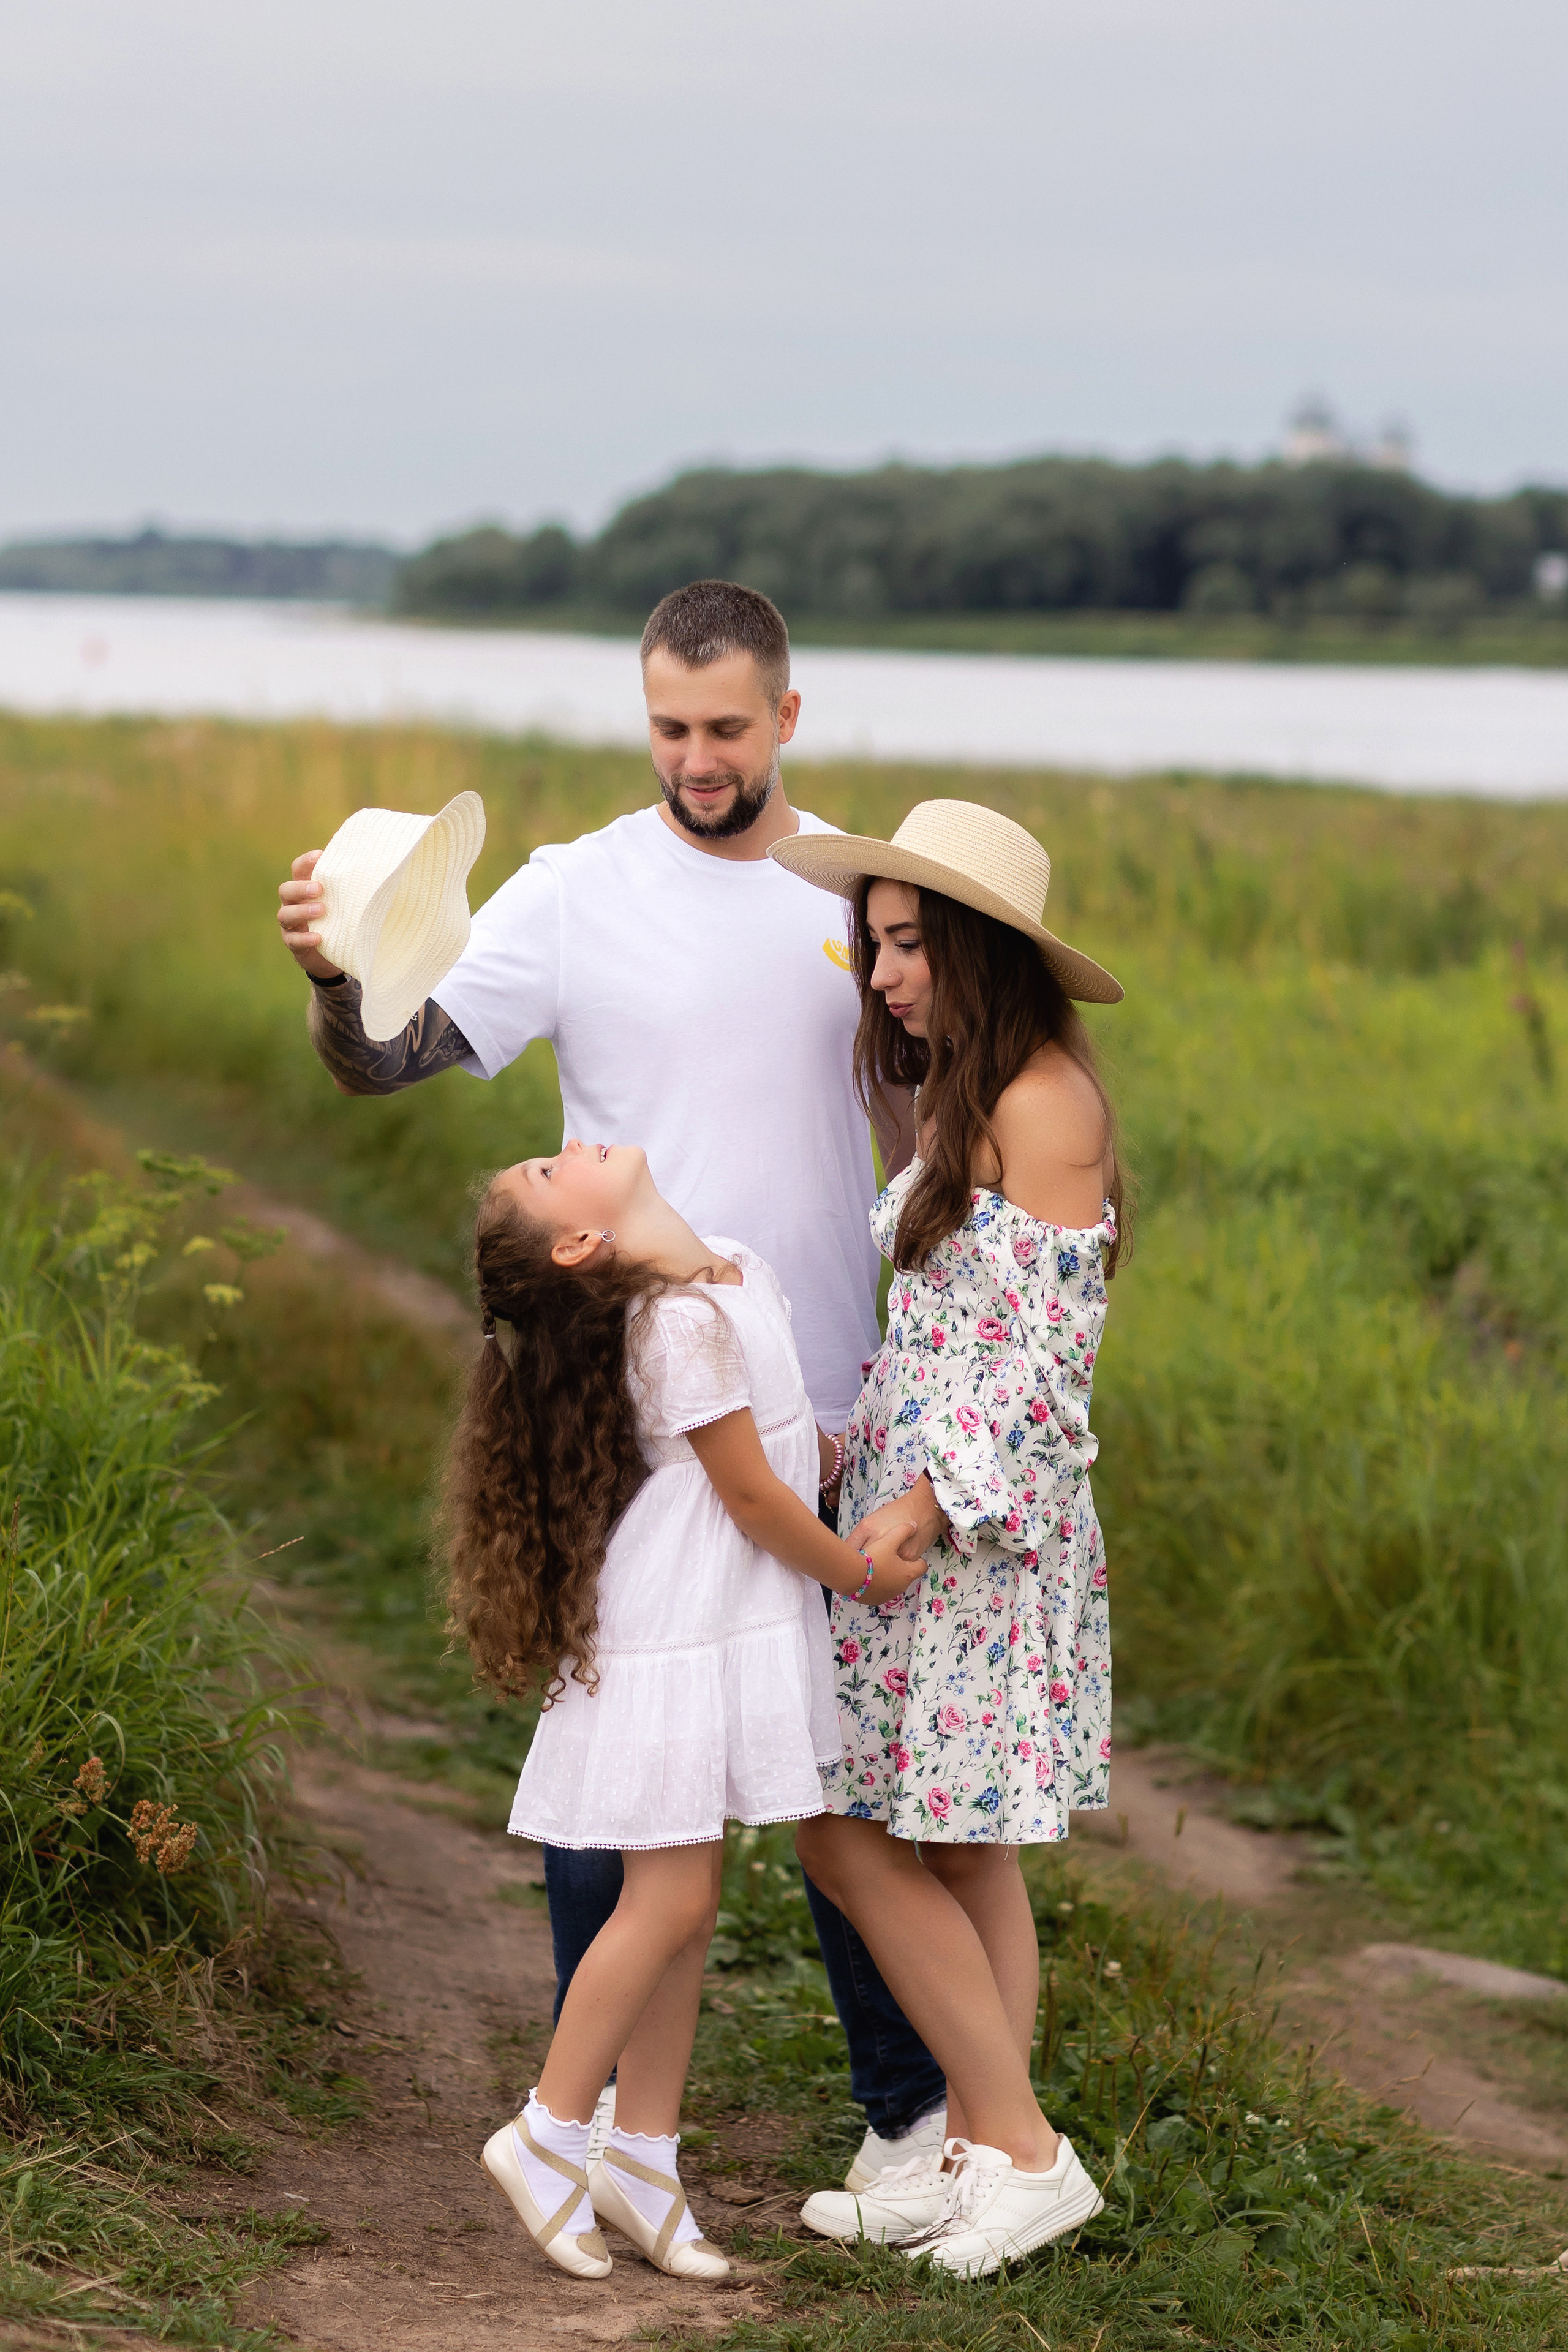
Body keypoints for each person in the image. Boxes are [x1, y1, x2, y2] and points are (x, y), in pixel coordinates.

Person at [276, 579, 949, 2183]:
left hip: (840, 1392)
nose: (695, 756)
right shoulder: (573, 891)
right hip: (629, 1409)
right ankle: (585, 2132)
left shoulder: (853, 897)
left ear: (788, 716)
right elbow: (392, 1056)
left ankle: (909, 2124)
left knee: (847, 1777)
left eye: (725, 727)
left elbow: (929, 1120)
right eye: (668, 726)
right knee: (619, 1765)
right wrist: (326, 968)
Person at [442, 1139, 921, 2280]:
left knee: (689, 1906)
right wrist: (858, 1574)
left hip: (716, 1620)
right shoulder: (673, 1325)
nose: (571, 1149)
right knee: (667, 1902)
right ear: (578, 1244)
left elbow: (784, 1441)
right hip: (678, 1627)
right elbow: (754, 1497)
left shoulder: (733, 1273)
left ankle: (642, 2160)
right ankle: (551, 2129)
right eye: (549, 1173)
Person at [765, 799, 1125, 2277]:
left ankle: (1020, 2152)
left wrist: (919, 1498)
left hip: (977, 1534)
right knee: (935, 1844)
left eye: (907, 944)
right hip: (907, 1502)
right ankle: (983, 2147)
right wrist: (857, 1447)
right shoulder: (954, 1099)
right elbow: (945, 1331)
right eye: (873, 942)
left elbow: (1046, 1376)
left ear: (976, 947)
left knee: (874, 1832)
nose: (882, 972)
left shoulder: (1045, 1105)